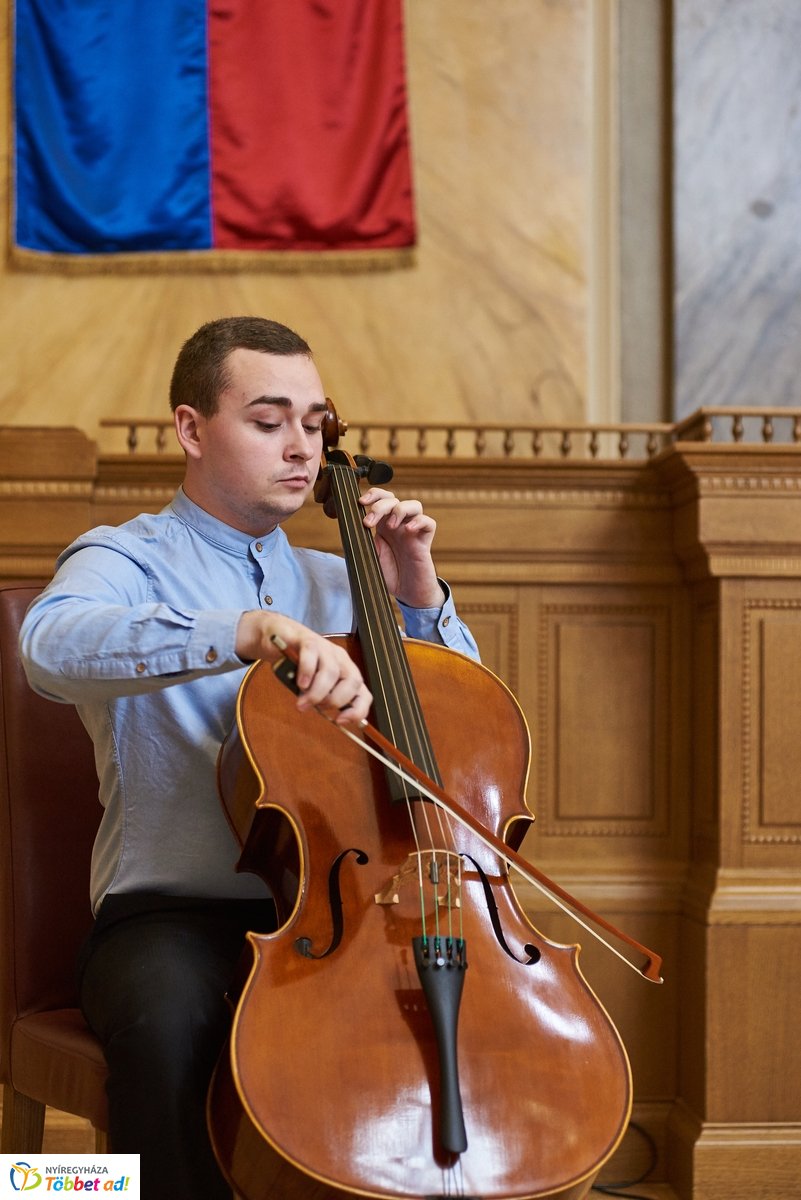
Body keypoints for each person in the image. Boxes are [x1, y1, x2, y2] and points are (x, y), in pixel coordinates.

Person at [19, 316, 479, 1200]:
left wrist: (419, 598)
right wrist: (240, 630)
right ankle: (49, 1188)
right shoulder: (124, 558)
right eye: (269, 423)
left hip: (348, 910)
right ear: (192, 429)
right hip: (169, 917)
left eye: (314, 423)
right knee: (168, 1022)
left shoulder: (351, 575)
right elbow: (50, 647)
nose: (300, 447)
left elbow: (465, 738)